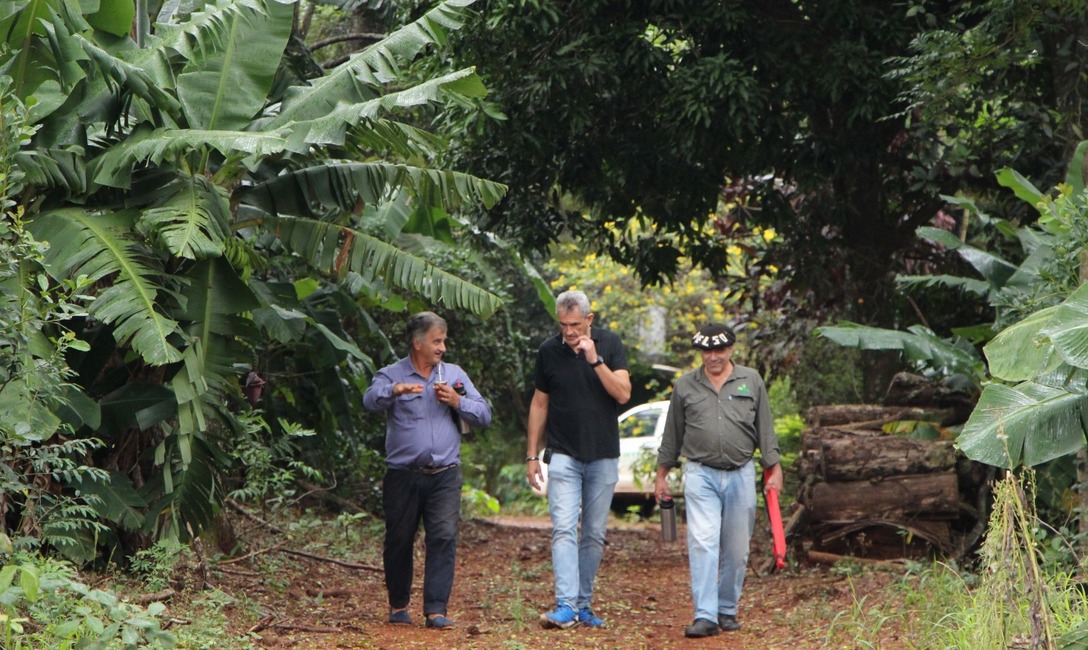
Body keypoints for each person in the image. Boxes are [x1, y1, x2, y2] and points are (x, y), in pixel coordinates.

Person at [363, 311, 491, 630]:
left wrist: (457, 401)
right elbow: (369, 400)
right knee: (399, 539)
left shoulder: (454, 375)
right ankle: (398, 605)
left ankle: (436, 610)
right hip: (403, 475)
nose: (442, 347)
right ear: (417, 343)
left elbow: (484, 413)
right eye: (436, 341)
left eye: (444, 340)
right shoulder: (392, 374)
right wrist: (394, 391)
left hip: (445, 473)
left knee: (444, 537)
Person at [654, 323, 783, 638]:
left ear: (730, 349)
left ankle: (726, 609)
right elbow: (673, 434)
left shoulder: (751, 380)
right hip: (700, 473)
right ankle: (705, 615)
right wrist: (662, 475)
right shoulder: (686, 386)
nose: (713, 356)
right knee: (703, 542)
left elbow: (765, 427)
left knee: (737, 549)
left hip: (741, 472)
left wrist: (774, 467)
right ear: (700, 352)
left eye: (719, 350)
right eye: (707, 350)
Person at [526, 290, 631, 629]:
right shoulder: (548, 351)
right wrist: (532, 455)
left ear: (589, 319)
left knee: (595, 533)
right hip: (563, 454)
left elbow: (623, 394)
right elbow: (540, 404)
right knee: (563, 530)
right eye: (562, 325)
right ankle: (566, 605)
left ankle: (583, 604)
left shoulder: (610, 343)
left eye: (574, 324)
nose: (568, 332)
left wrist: (595, 359)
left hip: (603, 455)